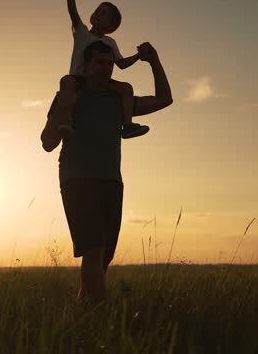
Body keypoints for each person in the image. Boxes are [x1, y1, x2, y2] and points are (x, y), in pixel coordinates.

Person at [41, 40, 173, 304]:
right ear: (86, 66)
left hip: (111, 180)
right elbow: (47, 143)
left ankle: (83, 311)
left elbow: (164, 99)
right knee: (93, 250)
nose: (106, 68)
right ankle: (100, 316)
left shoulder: (118, 100)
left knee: (104, 256)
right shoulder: (69, 96)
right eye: (100, 62)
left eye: (110, 63)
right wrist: (64, 109)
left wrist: (154, 61)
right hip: (77, 179)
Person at [57, 0, 149, 140]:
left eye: (104, 13)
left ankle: (127, 125)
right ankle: (66, 120)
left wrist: (138, 56)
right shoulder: (83, 32)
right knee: (66, 81)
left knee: (127, 88)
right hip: (80, 80)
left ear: (111, 26)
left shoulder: (110, 42)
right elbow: (73, 11)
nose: (97, 13)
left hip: (101, 82)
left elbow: (121, 64)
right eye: (97, 10)